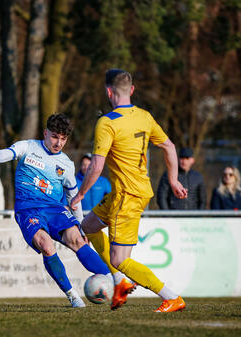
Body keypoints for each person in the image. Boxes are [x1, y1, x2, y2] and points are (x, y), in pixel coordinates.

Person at [70, 69, 188, 312]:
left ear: (108, 92)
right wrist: (174, 180)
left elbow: (96, 164)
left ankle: (171, 296)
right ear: (132, 90)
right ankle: (120, 282)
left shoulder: (107, 122)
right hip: (129, 192)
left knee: (119, 260)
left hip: (127, 196)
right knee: (88, 228)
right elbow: (169, 146)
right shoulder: (145, 117)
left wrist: (80, 195)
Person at [0, 113, 112, 308]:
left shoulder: (66, 164)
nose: (58, 143)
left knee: (78, 240)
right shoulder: (27, 147)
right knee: (46, 245)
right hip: (28, 209)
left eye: (63, 139)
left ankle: (112, 282)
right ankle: (72, 295)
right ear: (45, 133)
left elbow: (73, 198)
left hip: (54, 209)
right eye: (54, 136)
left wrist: (80, 227)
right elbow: (6, 154)